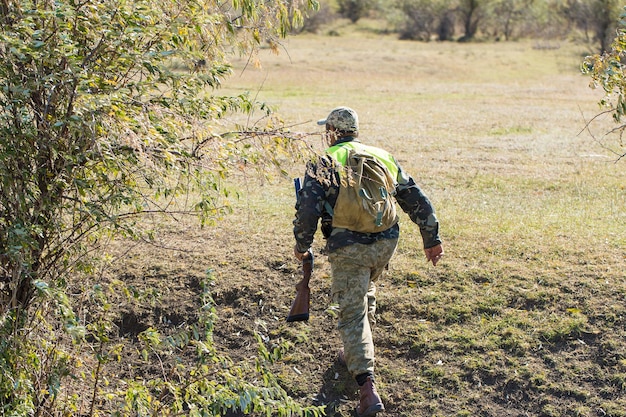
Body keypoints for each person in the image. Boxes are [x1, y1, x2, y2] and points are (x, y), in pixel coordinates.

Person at [292, 106, 444, 417]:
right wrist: (432, 238)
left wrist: (301, 246)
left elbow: (307, 209)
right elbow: (414, 197)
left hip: (348, 246)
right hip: (386, 243)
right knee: (362, 290)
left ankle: (366, 386)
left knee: (350, 313)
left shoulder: (324, 161)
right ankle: (355, 350)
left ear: (331, 132)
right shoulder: (382, 155)